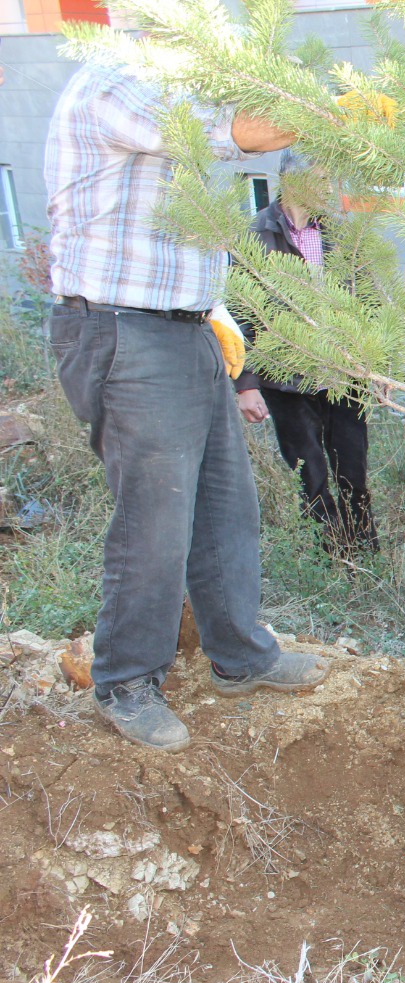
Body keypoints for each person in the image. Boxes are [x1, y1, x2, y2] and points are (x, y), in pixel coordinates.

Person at [46, 62, 328, 753]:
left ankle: (239, 655)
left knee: (227, 505)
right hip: (125, 329)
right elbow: (229, 131)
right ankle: (126, 680)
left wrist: (212, 313)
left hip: (186, 327)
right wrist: (329, 109)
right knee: (156, 518)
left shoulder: (173, 83)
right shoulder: (116, 80)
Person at [233, 150, 376, 554]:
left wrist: (376, 367)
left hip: (344, 376)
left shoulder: (341, 234)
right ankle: (330, 560)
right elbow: (242, 314)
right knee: (310, 477)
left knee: (353, 474)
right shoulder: (255, 235)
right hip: (286, 380)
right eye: (322, 179)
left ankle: (365, 558)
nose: (329, 188)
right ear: (292, 181)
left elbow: (367, 302)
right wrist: (246, 384)